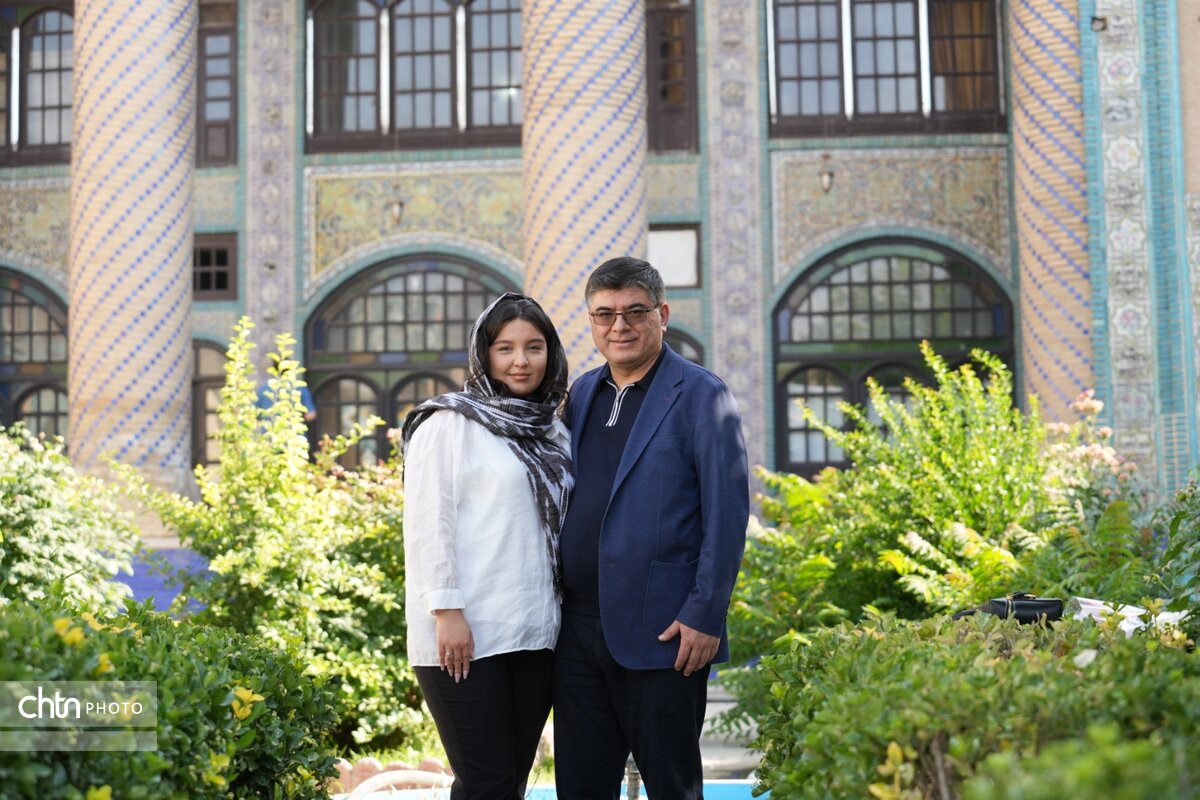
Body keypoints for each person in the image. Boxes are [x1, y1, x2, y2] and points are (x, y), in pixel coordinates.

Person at [554, 257, 749, 799]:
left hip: (666, 632)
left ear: (661, 314)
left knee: (672, 788)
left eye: (635, 312)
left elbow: (727, 515)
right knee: (580, 788)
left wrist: (705, 614)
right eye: (605, 314)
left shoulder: (702, 396)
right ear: (592, 321)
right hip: (577, 632)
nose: (620, 326)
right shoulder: (582, 394)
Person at [400, 292, 572, 799]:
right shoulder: (447, 424)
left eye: (534, 347)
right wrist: (447, 611)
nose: (521, 361)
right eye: (505, 348)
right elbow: (429, 523)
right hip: (465, 633)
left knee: (508, 783)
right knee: (487, 782)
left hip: (535, 632)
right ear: (483, 353)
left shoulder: (553, 431)